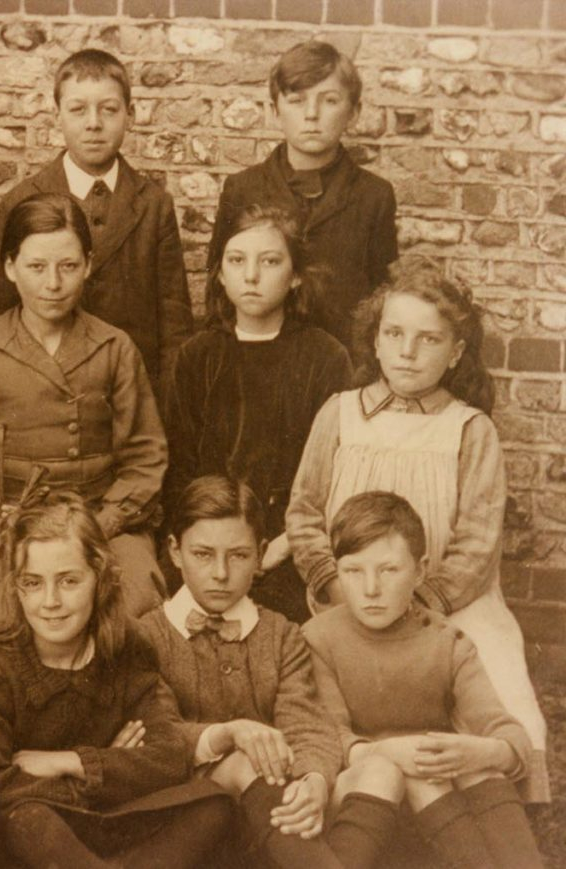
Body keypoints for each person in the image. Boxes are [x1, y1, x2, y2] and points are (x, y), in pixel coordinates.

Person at [287, 258, 550, 801]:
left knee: (509, 706)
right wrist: (336, 586)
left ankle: (491, 804)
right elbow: (304, 514)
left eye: (428, 339)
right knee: (308, 695)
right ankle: (359, 796)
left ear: (454, 352)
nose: (407, 351)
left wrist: (425, 600)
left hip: (447, 603)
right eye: (395, 335)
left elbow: (478, 542)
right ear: (375, 342)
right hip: (353, 593)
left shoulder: (469, 429)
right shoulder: (339, 414)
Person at [138, 476, 400, 869]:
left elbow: (308, 724)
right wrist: (229, 734)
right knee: (244, 760)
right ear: (175, 551)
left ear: (261, 554)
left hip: (272, 813)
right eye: (204, 555)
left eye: (239, 555)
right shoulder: (145, 636)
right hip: (187, 811)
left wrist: (314, 780)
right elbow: (156, 735)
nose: (221, 573)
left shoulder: (281, 634)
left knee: (381, 771)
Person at [0, 492, 231, 868]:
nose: (50, 601)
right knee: (28, 819)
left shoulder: (126, 646)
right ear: (15, 586)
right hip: (43, 832)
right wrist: (109, 768)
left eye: (69, 581)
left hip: (116, 817)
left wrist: (73, 762)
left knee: (212, 803)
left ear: (100, 578)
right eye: (33, 583)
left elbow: (171, 755)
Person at [0, 192, 167, 637]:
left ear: (88, 265)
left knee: (137, 592)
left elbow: (145, 457)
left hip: (98, 514)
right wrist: (1, 516)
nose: (53, 283)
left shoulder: (114, 347)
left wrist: (103, 521)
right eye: (36, 267)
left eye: (68, 266)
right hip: (10, 520)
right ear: (9, 267)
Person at [304, 492, 543, 868]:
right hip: (362, 797)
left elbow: (506, 732)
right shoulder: (318, 638)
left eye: (388, 570)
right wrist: (388, 752)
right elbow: (328, 738)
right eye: (353, 571)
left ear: (419, 570)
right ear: (337, 569)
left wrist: (484, 751)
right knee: (419, 771)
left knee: (478, 762)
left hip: (436, 808)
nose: (370, 589)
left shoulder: (446, 640)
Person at [163, 205, 350, 623]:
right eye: (236, 261)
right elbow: (181, 468)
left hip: (291, 550)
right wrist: (212, 546)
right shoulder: (198, 356)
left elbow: (334, 474)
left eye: (269, 261)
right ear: (220, 274)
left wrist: (283, 546)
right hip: (212, 545)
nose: (251, 276)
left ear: (296, 275)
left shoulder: (325, 358)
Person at [0, 49, 193, 389]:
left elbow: (174, 322)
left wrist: (166, 403)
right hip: (40, 386)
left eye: (108, 109)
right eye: (78, 109)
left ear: (131, 115)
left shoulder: (154, 205)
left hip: (128, 389)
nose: (93, 123)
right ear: (57, 116)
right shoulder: (20, 200)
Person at [207, 40, 397, 349]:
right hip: (258, 358)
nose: (311, 114)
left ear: (353, 112)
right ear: (275, 110)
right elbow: (218, 291)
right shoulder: (243, 188)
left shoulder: (374, 196)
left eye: (329, 101)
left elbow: (382, 298)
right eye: (296, 100)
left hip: (343, 363)